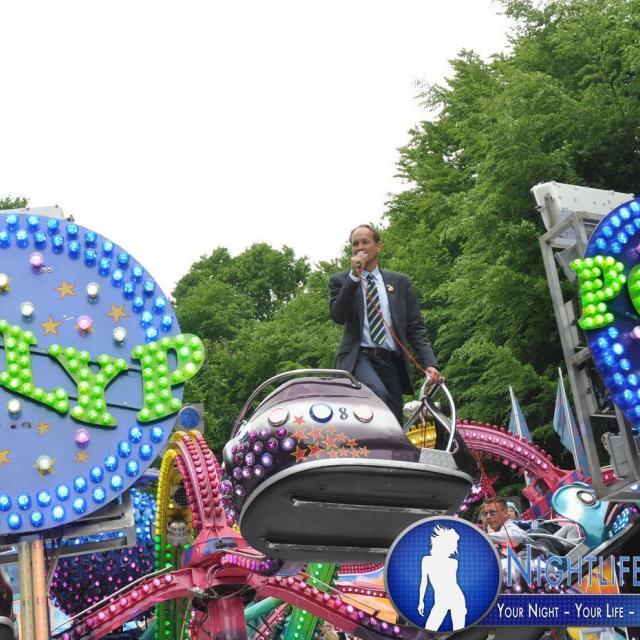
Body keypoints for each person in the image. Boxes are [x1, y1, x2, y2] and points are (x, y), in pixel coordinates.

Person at [328, 224, 440, 424]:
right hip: (359, 358)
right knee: (377, 394)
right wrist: (354, 277)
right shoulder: (341, 280)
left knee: (394, 418)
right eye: (355, 244)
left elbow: (415, 327)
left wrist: (429, 364)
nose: (359, 247)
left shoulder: (400, 282)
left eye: (365, 242)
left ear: (378, 246)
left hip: (391, 361)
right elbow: (338, 315)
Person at [417, 525, 467, 631]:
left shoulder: (453, 563)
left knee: (459, 632)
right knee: (429, 629)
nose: (454, 549)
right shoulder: (426, 560)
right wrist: (421, 601)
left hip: (456, 599)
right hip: (440, 601)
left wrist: (462, 607)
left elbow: (453, 584)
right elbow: (423, 582)